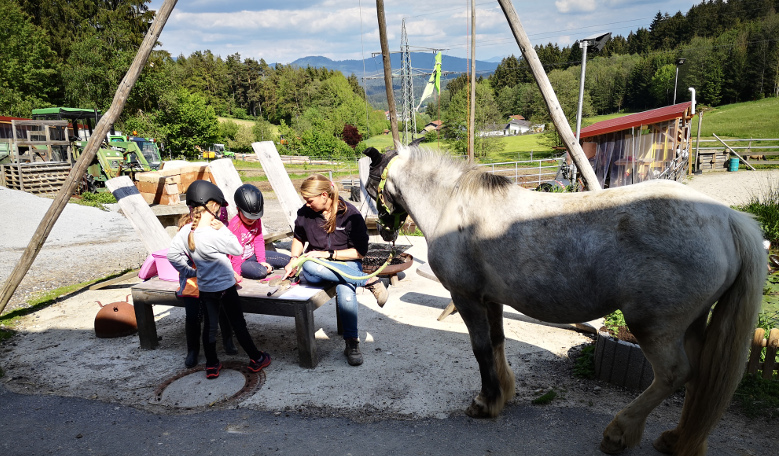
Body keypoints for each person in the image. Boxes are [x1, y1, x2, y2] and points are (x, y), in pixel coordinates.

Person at [168, 180, 271, 379]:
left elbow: (172, 255)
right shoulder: (215, 232)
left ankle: (212, 364)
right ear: (213, 206)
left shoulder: (186, 232)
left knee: (210, 326)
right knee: (238, 324)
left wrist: (190, 272)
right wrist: (222, 229)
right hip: (226, 286)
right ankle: (257, 358)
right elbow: (238, 249)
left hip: (206, 288)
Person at [283, 174, 388, 366]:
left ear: (324, 195)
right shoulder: (305, 213)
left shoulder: (351, 214)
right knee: (308, 265)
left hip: (345, 264)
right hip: (317, 269)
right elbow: (299, 238)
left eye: (309, 200)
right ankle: (367, 280)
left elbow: (360, 253)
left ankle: (351, 343)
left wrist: (328, 255)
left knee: (346, 289)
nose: (307, 204)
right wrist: (293, 259)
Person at [174, 213, 237, 369]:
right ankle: (193, 350)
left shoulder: (209, 235)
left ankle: (228, 341)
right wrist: (191, 272)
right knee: (192, 315)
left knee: (222, 309)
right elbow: (176, 259)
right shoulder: (184, 238)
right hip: (192, 284)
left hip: (212, 282)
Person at [228, 184, 290, 280]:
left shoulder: (256, 220)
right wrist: (236, 274)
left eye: (255, 217)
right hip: (241, 262)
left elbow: (258, 240)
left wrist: (262, 260)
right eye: (248, 217)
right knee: (261, 272)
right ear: (238, 209)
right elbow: (235, 252)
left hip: (252, 255)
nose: (252, 220)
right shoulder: (235, 225)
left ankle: (264, 266)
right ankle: (264, 268)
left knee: (288, 260)